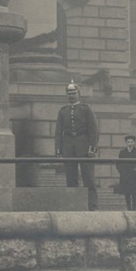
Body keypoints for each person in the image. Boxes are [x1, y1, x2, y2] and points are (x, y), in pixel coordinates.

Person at [54, 80, 99, 210]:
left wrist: (92, 148)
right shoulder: (63, 111)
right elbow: (58, 132)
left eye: (73, 93)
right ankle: (73, 205)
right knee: (71, 179)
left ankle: (93, 206)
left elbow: (93, 130)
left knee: (89, 179)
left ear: (78, 94)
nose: (71, 96)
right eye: (69, 93)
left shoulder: (86, 109)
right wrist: (59, 150)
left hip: (84, 147)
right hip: (69, 147)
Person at [116, 134, 136, 211]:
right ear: (126, 143)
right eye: (128, 142)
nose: (130, 143)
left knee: (134, 194)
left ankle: (134, 209)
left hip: (134, 176)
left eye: (131, 142)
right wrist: (122, 172)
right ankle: (128, 208)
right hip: (125, 176)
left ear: (134, 143)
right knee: (127, 193)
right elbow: (118, 164)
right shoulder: (122, 152)